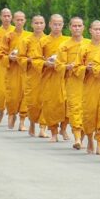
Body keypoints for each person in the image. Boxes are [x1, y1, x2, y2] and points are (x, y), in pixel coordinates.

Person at [75, 20, 100, 154]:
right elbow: (76, 67)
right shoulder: (84, 48)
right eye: (95, 29)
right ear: (90, 31)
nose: (98, 32)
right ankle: (89, 139)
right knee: (89, 115)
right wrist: (85, 68)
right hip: (89, 86)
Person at [39, 14, 69, 142]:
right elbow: (36, 59)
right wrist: (45, 63)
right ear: (50, 24)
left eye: (59, 24)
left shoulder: (68, 41)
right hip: (50, 77)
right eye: (55, 24)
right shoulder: (43, 41)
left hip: (65, 76)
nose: (57, 26)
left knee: (67, 104)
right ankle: (54, 132)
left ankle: (64, 128)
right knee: (51, 105)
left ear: (63, 25)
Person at [59, 17, 88, 148]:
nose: (77, 28)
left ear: (83, 28)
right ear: (70, 28)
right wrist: (67, 66)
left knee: (86, 110)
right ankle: (77, 138)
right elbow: (58, 65)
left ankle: (81, 138)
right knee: (75, 108)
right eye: (74, 26)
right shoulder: (64, 45)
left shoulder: (89, 44)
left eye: (79, 26)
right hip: (73, 82)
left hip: (88, 82)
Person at [19, 15, 47, 137]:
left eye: (41, 23)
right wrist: (30, 60)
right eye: (36, 23)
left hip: (46, 75)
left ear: (45, 24)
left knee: (45, 101)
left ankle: (42, 128)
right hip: (32, 75)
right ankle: (31, 122)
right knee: (32, 102)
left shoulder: (48, 40)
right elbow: (20, 58)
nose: (39, 25)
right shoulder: (26, 40)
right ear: (31, 24)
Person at [5, 11, 30, 130]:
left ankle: (22, 120)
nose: (19, 22)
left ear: (25, 21)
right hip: (13, 70)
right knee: (12, 95)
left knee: (25, 95)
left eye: (22, 20)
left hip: (25, 70)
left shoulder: (29, 36)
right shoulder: (8, 36)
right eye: (17, 20)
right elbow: (1, 52)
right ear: (13, 21)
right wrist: (9, 57)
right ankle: (11, 113)